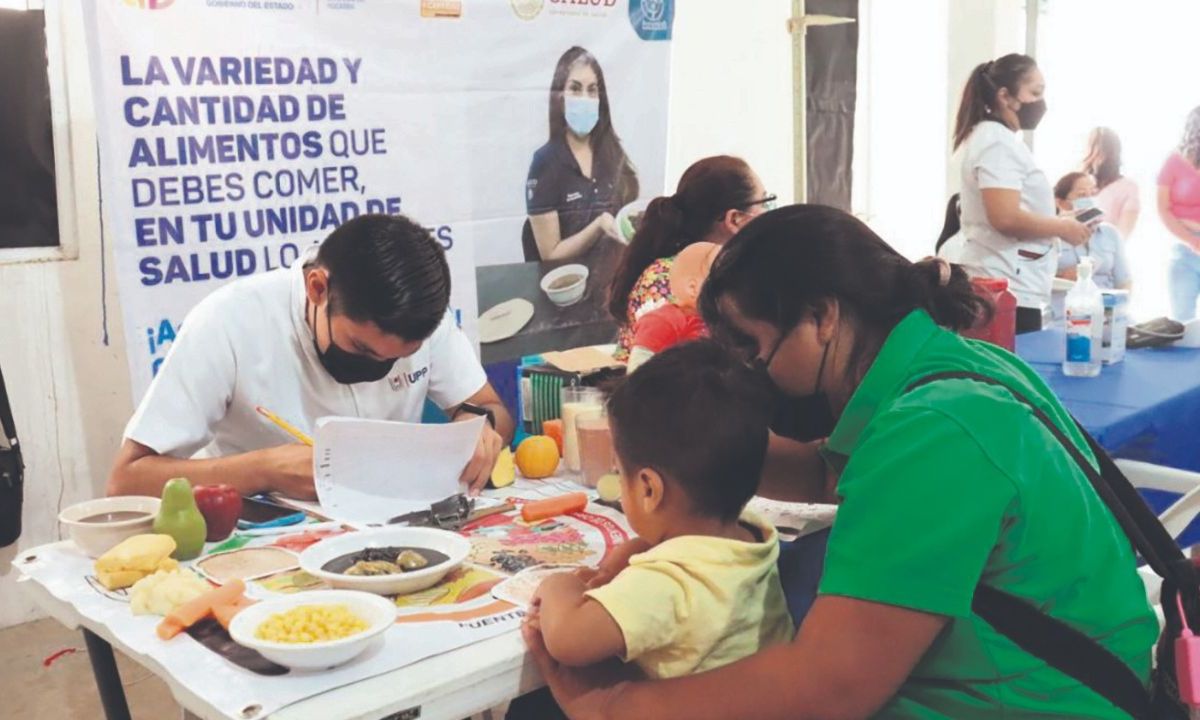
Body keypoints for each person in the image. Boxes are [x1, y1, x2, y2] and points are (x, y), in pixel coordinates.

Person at [523, 204, 1157, 719]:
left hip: (1036, 702)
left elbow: (828, 688)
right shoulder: (961, 370)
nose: (752, 370)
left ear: (823, 317)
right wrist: (695, 436)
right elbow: (831, 471)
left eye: (755, 346)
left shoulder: (934, 432)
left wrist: (614, 708)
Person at [108, 214, 514, 500]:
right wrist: (265, 470)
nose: (376, 368)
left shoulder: (422, 318)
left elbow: (491, 408)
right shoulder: (229, 321)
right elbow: (127, 480)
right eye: (361, 349)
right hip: (264, 538)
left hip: (391, 520)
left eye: (397, 359)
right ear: (317, 288)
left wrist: (478, 426)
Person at [528, 341, 794, 678]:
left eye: (617, 471)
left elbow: (569, 638)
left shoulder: (668, 583)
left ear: (649, 489)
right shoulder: (750, 534)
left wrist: (558, 584)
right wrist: (625, 558)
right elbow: (679, 551)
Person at [953, 53, 1091, 333]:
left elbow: (1016, 207)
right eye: (1035, 92)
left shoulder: (998, 139)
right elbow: (1004, 217)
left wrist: (1060, 218)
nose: (1040, 102)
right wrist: (1062, 227)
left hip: (1014, 283)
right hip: (1005, 282)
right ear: (1005, 96)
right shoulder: (996, 143)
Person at [608, 155, 772, 361]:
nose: (768, 214)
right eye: (765, 202)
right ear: (734, 219)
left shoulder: (731, 272)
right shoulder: (665, 278)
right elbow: (667, 370)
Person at [522, 46, 638, 263]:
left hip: (611, 276)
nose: (585, 98)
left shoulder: (612, 152)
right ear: (560, 97)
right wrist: (598, 226)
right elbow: (550, 254)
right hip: (565, 285)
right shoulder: (545, 162)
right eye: (575, 89)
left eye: (592, 90)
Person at [626, 241, 718, 371]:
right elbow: (638, 371)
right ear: (693, 288)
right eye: (725, 282)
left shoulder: (720, 320)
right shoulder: (662, 321)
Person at [1053, 171, 1131, 290]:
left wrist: (1118, 306)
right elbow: (1036, 276)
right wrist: (1061, 276)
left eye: (1093, 193)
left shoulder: (1110, 234)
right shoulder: (1051, 235)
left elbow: (1124, 282)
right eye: (1082, 195)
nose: (1089, 199)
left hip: (1104, 304)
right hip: (1062, 303)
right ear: (1061, 203)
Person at [1159, 106, 1200, 321]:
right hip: (1184, 250)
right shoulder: (1174, 161)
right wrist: (1192, 240)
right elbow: (1163, 209)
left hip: (1189, 237)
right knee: (1183, 321)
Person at [1082, 127, 1140, 240]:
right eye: (1095, 150)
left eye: (1102, 151)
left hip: (1105, 253)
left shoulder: (1128, 187)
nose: (1100, 157)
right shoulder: (1080, 184)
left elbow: (1123, 234)